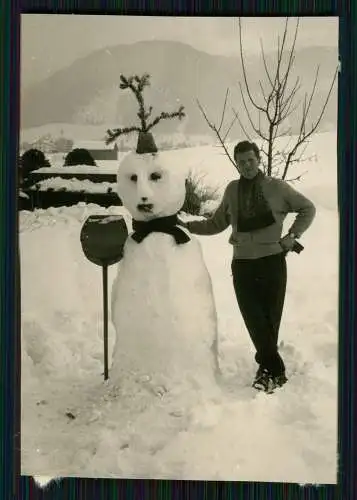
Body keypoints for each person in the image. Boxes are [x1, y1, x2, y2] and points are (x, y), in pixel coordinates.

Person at [178, 140, 316, 393]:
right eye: (241, 162)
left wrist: (292, 236)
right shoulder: (232, 190)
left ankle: (268, 370)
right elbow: (216, 223)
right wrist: (187, 226)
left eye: (250, 160)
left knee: (269, 319)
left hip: (272, 261)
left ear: (258, 159)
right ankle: (274, 369)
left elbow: (308, 208)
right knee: (253, 319)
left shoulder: (278, 188)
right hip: (242, 264)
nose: (246, 166)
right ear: (236, 164)